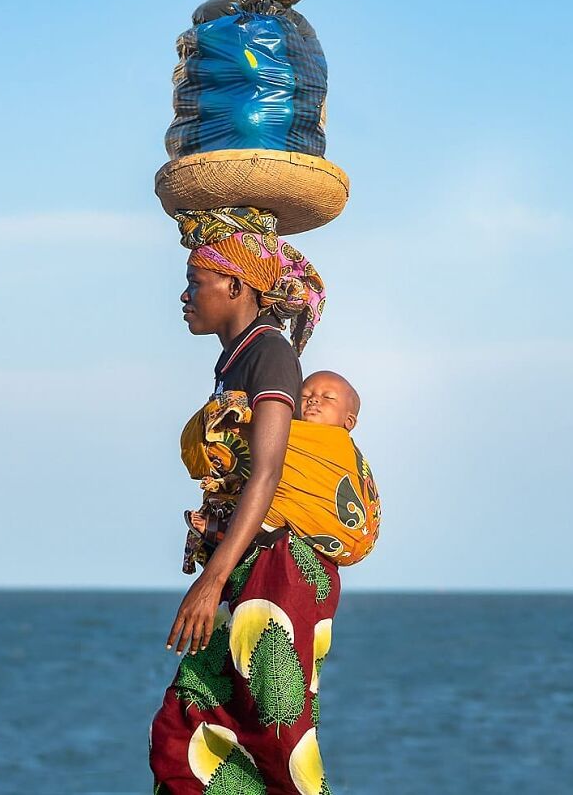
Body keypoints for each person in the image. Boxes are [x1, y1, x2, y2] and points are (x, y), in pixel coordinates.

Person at [150, 212, 340, 795]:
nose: (184, 295)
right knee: (189, 730)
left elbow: (267, 473)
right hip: (249, 566)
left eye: (195, 281)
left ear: (235, 286)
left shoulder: (270, 353)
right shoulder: (236, 358)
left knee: (278, 740)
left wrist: (211, 582)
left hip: (280, 571)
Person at [184, 370, 381, 568]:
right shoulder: (293, 439)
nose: (313, 400)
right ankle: (244, 533)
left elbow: (260, 429)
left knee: (267, 487)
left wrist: (240, 422)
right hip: (316, 523)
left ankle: (232, 531)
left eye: (327, 397)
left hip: (348, 528)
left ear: (349, 421)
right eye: (304, 395)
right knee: (274, 486)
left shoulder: (338, 444)